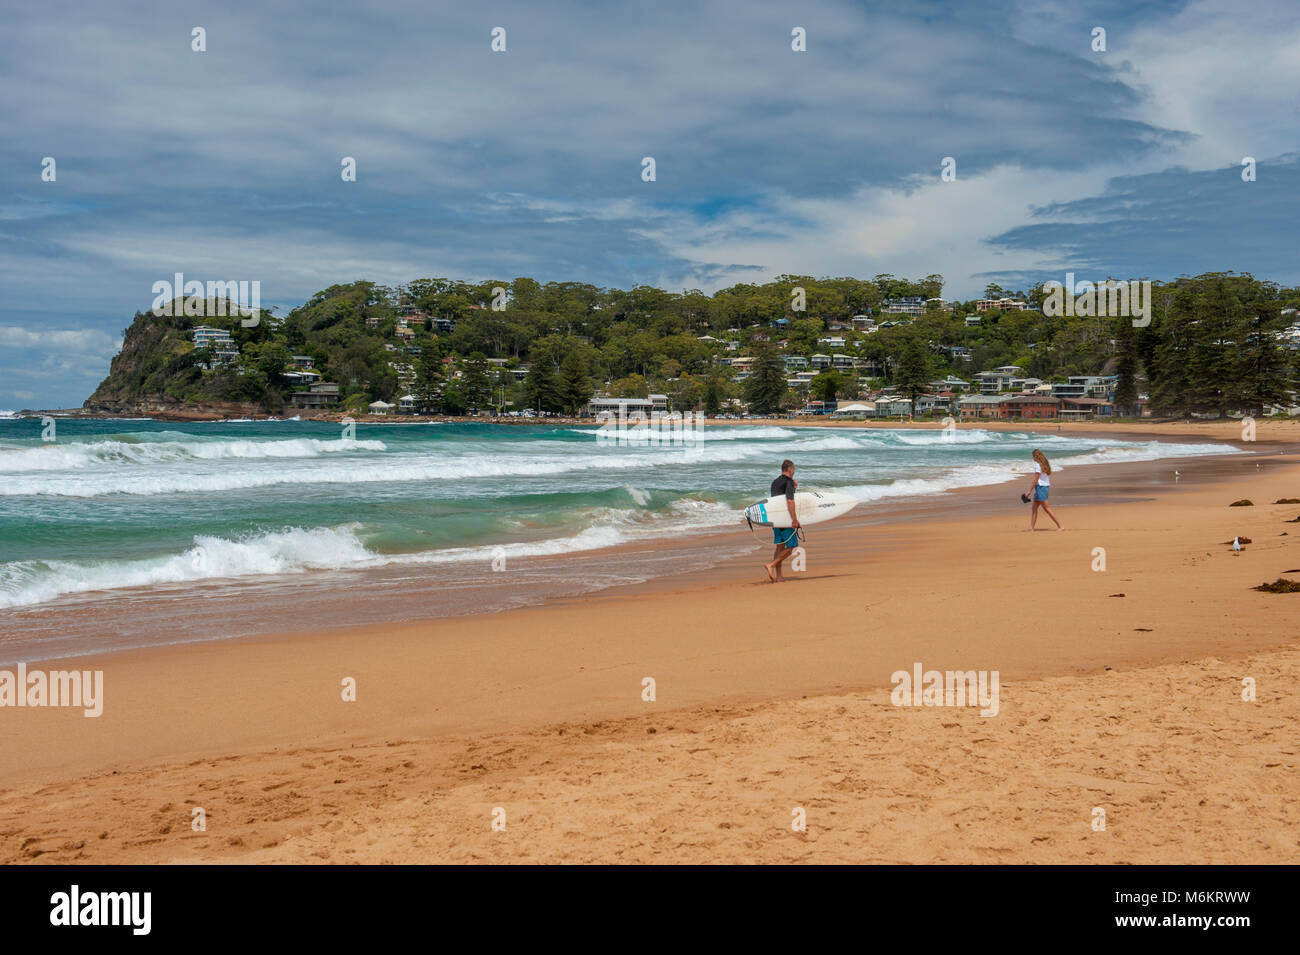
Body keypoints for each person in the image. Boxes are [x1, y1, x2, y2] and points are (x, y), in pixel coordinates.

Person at [764, 459, 801, 582]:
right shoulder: (788, 482)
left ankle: (779, 576)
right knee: (792, 546)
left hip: (776, 519)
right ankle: (771, 564)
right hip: (785, 519)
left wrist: (793, 488)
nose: (794, 471)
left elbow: (778, 500)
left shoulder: (775, 482)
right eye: (794, 469)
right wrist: (794, 519)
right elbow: (789, 501)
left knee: (780, 548)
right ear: (789, 469)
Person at [1026, 448, 1063, 531]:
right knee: (1034, 508)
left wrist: (1029, 491)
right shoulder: (1044, 464)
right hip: (1044, 487)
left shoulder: (1037, 465)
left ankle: (1060, 526)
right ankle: (1031, 528)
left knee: (1047, 508)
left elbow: (1036, 479)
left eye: (1033, 456)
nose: (1033, 458)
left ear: (1036, 456)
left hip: (1041, 488)